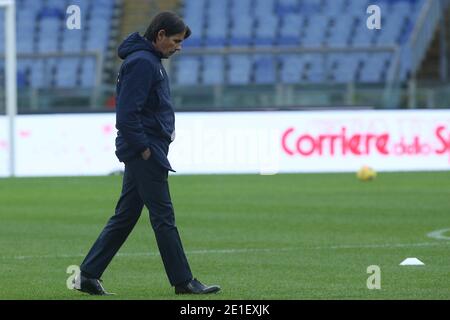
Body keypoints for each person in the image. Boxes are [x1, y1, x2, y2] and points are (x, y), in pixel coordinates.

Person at [73, 11, 220, 296]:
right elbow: (126, 114)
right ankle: (183, 281)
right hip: (146, 152)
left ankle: (87, 275)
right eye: (176, 40)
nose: (179, 47)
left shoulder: (148, 61)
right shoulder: (143, 63)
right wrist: (143, 148)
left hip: (148, 148)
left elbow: (145, 108)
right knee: (163, 217)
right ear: (160, 35)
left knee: (126, 215)